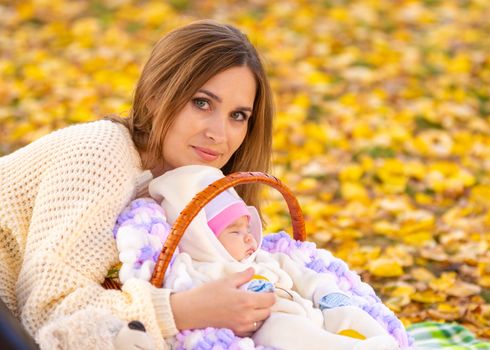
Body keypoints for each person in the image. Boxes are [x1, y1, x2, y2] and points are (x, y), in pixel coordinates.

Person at [0, 19, 276, 349]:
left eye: (238, 116)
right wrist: (181, 310)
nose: (219, 133)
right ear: (155, 98)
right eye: (202, 103)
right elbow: (46, 316)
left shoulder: (188, 191)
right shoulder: (101, 155)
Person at [143, 165, 400, 350]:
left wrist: (325, 294)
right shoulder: (201, 269)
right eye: (235, 231)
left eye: (247, 228)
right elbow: (179, 287)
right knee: (280, 329)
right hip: (268, 328)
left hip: (313, 315)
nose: (248, 238)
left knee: (345, 309)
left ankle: (379, 342)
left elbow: (307, 277)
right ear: (201, 238)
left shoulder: (265, 259)